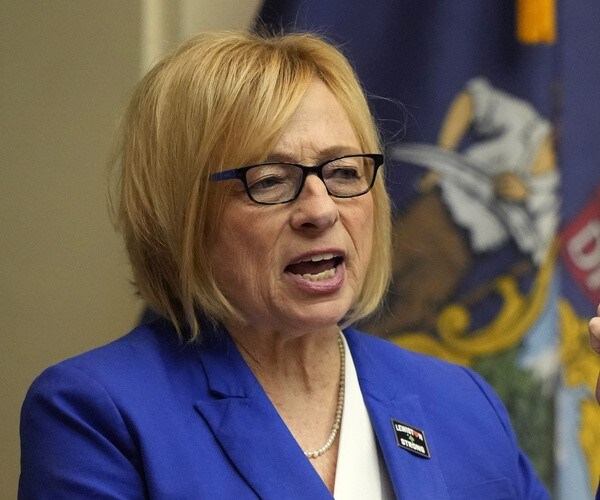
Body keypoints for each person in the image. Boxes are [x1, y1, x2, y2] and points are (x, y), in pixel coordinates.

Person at [19, 31, 550, 499]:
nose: (321, 210)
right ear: (183, 216)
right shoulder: (98, 414)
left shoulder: (460, 401)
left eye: (343, 172)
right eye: (270, 181)